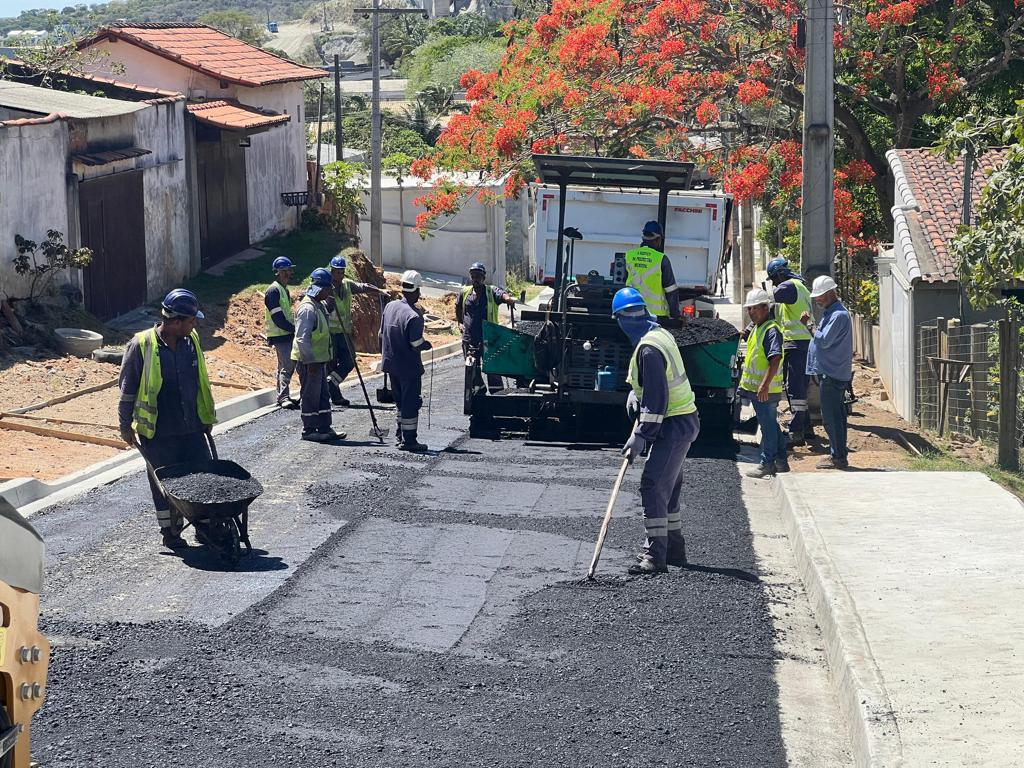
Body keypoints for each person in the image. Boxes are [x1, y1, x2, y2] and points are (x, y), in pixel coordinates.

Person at [612, 287, 701, 575]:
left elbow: (658, 401)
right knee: (669, 489)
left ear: (623, 320)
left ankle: (655, 556)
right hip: (680, 421)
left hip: (674, 424)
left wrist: (640, 436)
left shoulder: (648, 348)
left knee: (652, 485)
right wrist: (636, 396)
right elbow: (652, 390)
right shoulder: (660, 335)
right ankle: (675, 550)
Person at [118, 289, 216, 550]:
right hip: (159, 432)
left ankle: (205, 528)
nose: (195, 325)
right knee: (167, 487)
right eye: (191, 320)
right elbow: (128, 390)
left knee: (204, 477)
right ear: (175, 322)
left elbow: (200, 383)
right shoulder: (141, 345)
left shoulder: (191, 340)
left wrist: (206, 417)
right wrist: (125, 426)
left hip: (191, 427)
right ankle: (171, 533)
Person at [325, 252, 388, 406]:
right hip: (330, 334)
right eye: (336, 271)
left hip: (345, 333)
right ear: (331, 271)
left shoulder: (347, 284)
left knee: (349, 362)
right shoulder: (326, 288)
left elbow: (362, 287)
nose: (339, 275)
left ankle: (330, 383)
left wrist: (379, 291)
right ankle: (335, 395)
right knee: (331, 364)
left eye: (341, 271)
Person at [803, 275, 853, 469]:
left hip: (832, 375)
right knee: (837, 417)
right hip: (831, 372)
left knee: (832, 418)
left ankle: (838, 457)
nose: (818, 299)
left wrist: (809, 325)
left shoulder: (838, 315)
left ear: (831, 292)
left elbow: (823, 340)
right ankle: (838, 454)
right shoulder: (832, 313)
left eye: (821, 295)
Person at [381, 270, 432, 452]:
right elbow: (415, 344)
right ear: (416, 290)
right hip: (408, 367)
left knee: (400, 402)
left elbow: (382, 334)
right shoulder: (414, 316)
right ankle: (409, 440)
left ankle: (399, 435)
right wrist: (426, 345)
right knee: (410, 401)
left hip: (390, 364)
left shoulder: (390, 307)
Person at [292, 268, 345, 443]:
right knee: (310, 395)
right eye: (327, 289)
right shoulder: (307, 310)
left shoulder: (319, 305)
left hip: (320, 360)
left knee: (323, 395)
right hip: (310, 362)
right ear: (318, 289)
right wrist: (310, 361)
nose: (330, 291)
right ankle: (309, 429)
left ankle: (324, 427)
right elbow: (302, 339)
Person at [740, 288, 788, 478]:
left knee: (767, 427)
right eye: (748, 309)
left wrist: (765, 385)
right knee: (771, 425)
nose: (750, 312)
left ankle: (766, 463)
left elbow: (775, 359)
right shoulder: (758, 328)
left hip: (765, 390)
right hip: (758, 389)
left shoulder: (771, 330)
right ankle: (781, 461)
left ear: (765, 307)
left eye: (753, 308)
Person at [766, 257, 814, 445]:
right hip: (800, 343)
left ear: (779, 274)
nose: (774, 284)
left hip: (797, 344)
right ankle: (806, 427)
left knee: (795, 388)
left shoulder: (788, 286)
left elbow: (769, 299)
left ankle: (795, 432)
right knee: (799, 387)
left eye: (774, 279)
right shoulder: (799, 286)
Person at [456, 261, 516, 396]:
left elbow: (501, 294)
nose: (475, 279)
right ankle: (479, 393)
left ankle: (497, 394)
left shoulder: (490, 291)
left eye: (478, 276)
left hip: (489, 339)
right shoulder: (465, 292)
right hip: (470, 339)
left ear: (483, 278)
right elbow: (458, 307)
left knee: (492, 368)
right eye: (473, 276)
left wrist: (508, 299)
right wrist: (459, 322)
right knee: (472, 368)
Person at [623, 221, 681, 319]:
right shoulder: (661, 259)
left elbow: (621, 284)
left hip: (632, 312)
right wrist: (675, 316)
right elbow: (671, 291)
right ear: (658, 239)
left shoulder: (628, 256)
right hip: (655, 316)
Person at [264, 256, 299, 409]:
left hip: (285, 333)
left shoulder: (284, 289)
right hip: (280, 334)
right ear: (277, 272)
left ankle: (283, 395)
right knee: (287, 365)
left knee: (285, 366)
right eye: (284, 271)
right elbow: (277, 317)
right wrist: (294, 328)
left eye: (288, 270)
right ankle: (283, 397)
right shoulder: (273, 291)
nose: (287, 274)